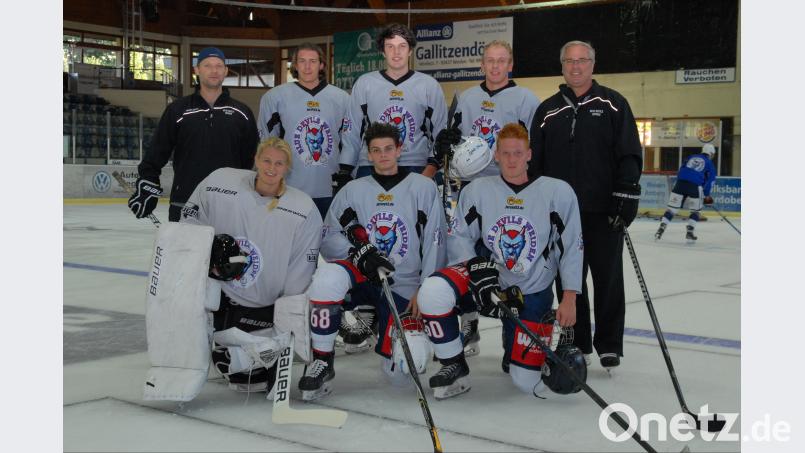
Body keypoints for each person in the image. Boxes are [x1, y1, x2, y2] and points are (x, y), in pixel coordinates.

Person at [415, 123, 583, 399]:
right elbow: (459, 237)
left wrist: (569, 297)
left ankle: (516, 346)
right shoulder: (477, 190)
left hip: (531, 289)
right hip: (486, 283)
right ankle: (452, 363)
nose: (512, 159)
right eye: (506, 153)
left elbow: (571, 247)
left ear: (529, 154)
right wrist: (476, 268)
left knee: (524, 380)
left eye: (518, 153)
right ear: (496, 155)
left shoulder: (557, 192)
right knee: (433, 293)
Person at [298, 122, 446, 401]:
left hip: (403, 284)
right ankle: (322, 360)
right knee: (325, 281)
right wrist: (356, 254)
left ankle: (383, 324)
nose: (382, 155)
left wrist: (424, 289)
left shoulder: (423, 188)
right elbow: (328, 237)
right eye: (376, 150)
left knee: (400, 376)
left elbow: (435, 241)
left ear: (400, 149)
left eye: (388, 149)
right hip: (362, 276)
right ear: (368, 153)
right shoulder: (353, 190)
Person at [422, 39, 540, 358]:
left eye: (502, 60)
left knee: (506, 262)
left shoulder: (527, 99)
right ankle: (469, 322)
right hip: (471, 190)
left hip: (509, 192)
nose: (496, 66)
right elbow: (453, 141)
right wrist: (446, 146)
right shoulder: (468, 98)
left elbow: (536, 148)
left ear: (511, 64)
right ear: (482, 64)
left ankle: (511, 336)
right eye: (490, 60)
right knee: (463, 257)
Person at [529, 40, 643, 370]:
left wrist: (625, 196)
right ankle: (577, 341)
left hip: (603, 212)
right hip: (563, 217)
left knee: (608, 280)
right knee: (569, 282)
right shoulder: (547, 109)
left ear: (593, 65)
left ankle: (609, 344)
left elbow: (630, 154)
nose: (576, 66)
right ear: (562, 66)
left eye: (582, 61)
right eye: (570, 61)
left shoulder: (614, 104)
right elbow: (536, 162)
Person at [177, 137, 323, 394]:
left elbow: (300, 271)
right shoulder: (220, 184)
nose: (271, 168)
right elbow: (190, 221)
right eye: (266, 160)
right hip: (224, 302)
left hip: (267, 308)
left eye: (279, 163)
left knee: (253, 377)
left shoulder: (302, 208)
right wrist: (210, 254)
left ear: (287, 167)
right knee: (237, 373)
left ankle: (263, 342)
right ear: (256, 160)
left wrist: (287, 321)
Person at [128, 47, 259, 222]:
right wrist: (148, 184)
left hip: (230, 203)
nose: (214, 70)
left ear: (226, 71)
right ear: (196, 70)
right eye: (207, 65)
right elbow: (156, 153)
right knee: (184, 250)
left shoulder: (242, 112)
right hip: (185, 200)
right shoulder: (178, 110)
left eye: (219, 66)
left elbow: (249, 160)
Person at [336, 23, 447, 185]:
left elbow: (440, 132)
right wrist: (346, 169)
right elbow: (352, 130)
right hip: (371, 163)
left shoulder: (428, 85)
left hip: (415, 165)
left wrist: (432, 167)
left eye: (402, 46)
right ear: (382, 51)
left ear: (410, 51)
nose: (396, 52)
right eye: (390, 46)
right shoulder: (365, 83)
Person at [257, 42, 350, 218]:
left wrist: (347, 176)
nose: (307, 67)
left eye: (313, 61)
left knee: (326, 241)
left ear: (321, 64)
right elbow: (266, 144)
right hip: (289, 185)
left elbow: (350, 142)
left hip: (329, 187)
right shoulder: (275, 97)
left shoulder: (341, 98)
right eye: (302, 61)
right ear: (295, 65)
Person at [655, 143, 717, 242]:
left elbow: (682, 169)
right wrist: (706, 195)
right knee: (695, 211)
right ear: (711, 153)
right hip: (695, 186)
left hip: (680, 184)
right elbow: (710, 181)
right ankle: (690, 232)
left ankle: (661, 229)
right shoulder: (710, 164)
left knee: (671, 210)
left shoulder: (691, 157)